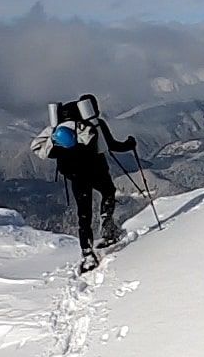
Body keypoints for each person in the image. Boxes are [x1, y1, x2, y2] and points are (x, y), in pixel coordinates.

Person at [30, 96, 138, 272]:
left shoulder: (58, 128)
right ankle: (107, 226)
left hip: (75, 175)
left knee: (84, 213)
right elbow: (113, 145)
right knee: (108, 191)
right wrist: (130, 144)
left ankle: (87, 253)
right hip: (96, 169)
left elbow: (42, 148)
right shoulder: (95, 124)